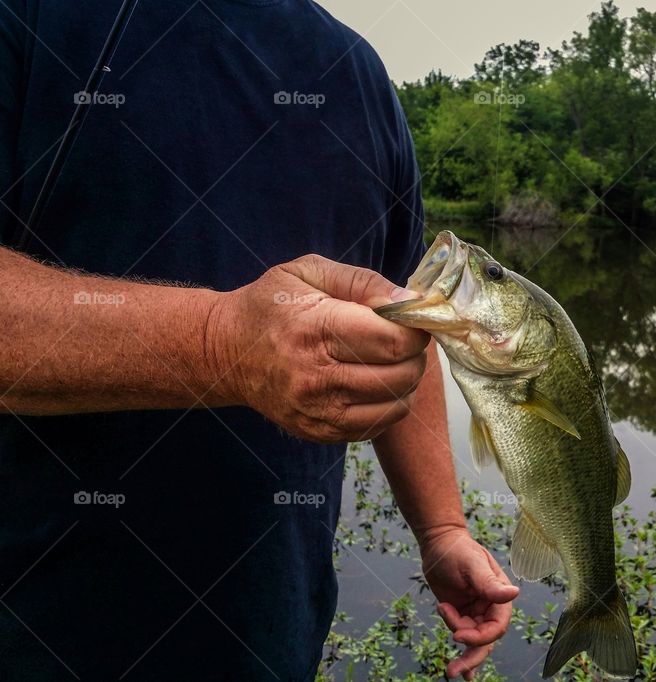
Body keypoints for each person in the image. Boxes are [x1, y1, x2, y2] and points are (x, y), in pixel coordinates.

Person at [0, 1, 518, 680]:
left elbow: (402, 319)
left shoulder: (356, 72)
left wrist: (443, 528)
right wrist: (222, 345)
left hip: (273, 640)